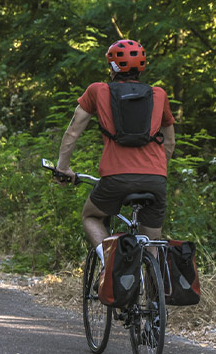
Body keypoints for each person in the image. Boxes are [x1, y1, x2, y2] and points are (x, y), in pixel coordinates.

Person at [54, 39, 176, 262]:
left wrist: (62, 168)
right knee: (152, 246)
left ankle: (111, 263)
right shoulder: (159, 95)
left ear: (111, 67)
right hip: (155, 179)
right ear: (142, 66)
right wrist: (156, 172)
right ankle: (154, 294)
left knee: (91, 216)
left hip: (115, 178)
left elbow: (72, 132)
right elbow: (169, 143)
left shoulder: (97, 91)